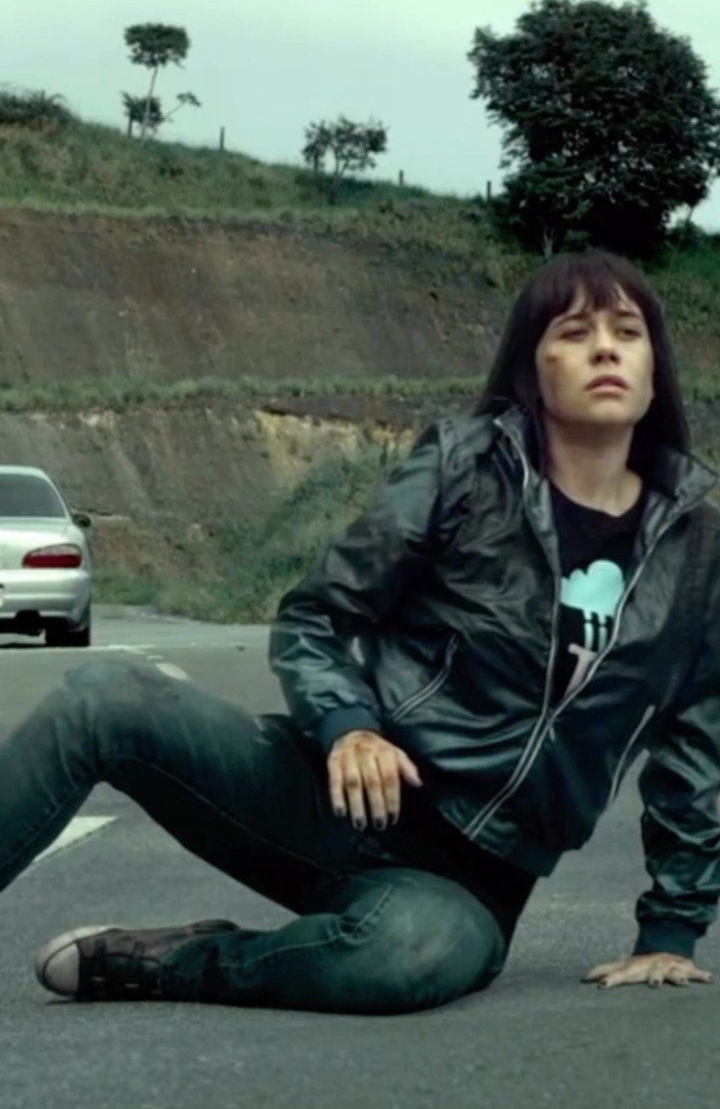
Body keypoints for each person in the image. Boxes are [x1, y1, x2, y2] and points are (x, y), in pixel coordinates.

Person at [8, 246, 720, 1012]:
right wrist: (348, 727)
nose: (606, 349)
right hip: (323, 796)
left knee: (398, 959)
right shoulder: (463, 470)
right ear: (531, 367)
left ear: (654, 371)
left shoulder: (697, 550)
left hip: (466, 885)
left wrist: (670, 931)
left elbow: (697, 743)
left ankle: (171, 962)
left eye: (627, 332)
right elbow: (317, 615)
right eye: (574, 333)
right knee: (102, 702)